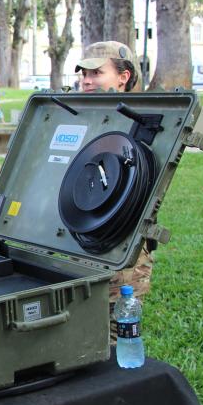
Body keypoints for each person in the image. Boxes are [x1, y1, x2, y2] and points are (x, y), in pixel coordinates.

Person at [75, 41, 154, 344]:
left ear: (123, 77)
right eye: (84, 73)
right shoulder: (79, 116)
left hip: (119, 251)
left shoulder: (143, 125)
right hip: (79, 246)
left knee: (116, 335)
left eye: (96, 72)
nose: (86, 80)